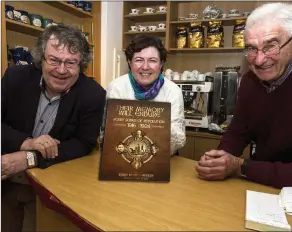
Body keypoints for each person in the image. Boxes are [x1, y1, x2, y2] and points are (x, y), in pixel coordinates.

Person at [195, 3, 292, 189]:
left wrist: (239, 166)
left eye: (270, 46)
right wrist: (218, 159)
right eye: (251, 49)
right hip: (259, 183)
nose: (259, 60)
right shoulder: (249, 82)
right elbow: (238, 132)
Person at [1, 24, 106, 231]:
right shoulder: (15, 78)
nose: (61, 70)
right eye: (54, 60)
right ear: (41, 59)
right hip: (6, 182)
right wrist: (27, 143)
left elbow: (83, 144)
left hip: (51, 190)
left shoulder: (93, 94)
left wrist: (29, 158)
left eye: (71, 63)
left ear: (81, 65)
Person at [106, 35, 186, 155]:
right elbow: (109, 133)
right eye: (139, 60)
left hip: (163, 157)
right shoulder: (117, 87)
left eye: (152, 60)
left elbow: (178, 138)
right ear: (129, 62)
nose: (145, 67)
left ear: (161, 64)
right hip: (123, 157)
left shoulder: (173, 91)